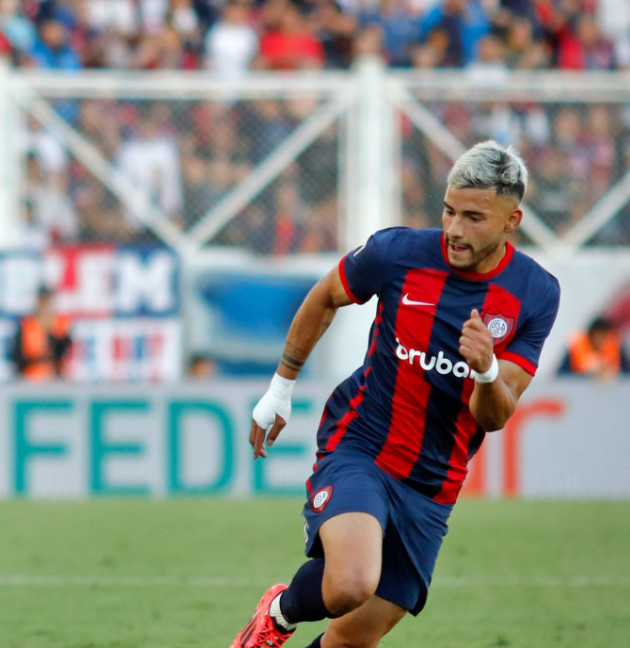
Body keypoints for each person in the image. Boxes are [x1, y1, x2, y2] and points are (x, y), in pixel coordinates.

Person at [232, 140, 560, 648]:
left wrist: (488, 369)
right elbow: (325, 296)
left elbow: (493, 416)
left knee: (351, 639)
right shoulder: (397, 252)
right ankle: (276, 616)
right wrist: (280, 387)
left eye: (474, 217)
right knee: (350, 583)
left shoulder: (535, 292)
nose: (454, 229)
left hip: (433, 482)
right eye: (449, 211)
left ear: (511, 221)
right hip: (362, 445)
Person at [9, 286, 72, 381]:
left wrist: (51, 335)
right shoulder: (26, 326)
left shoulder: (61, 327)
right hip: (30, 380)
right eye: (42, 301)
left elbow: (65, 354)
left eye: (47, 301)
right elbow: (17, 357)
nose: (44, 306)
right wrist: (40, 358)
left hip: (55, 381)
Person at [560, 316, 630, 379]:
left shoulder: (617, 347)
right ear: (591, 335)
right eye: (597, 336)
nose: (600, 339)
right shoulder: (576, 347)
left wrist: (611, 372)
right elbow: (562, 375)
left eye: (603, 336)